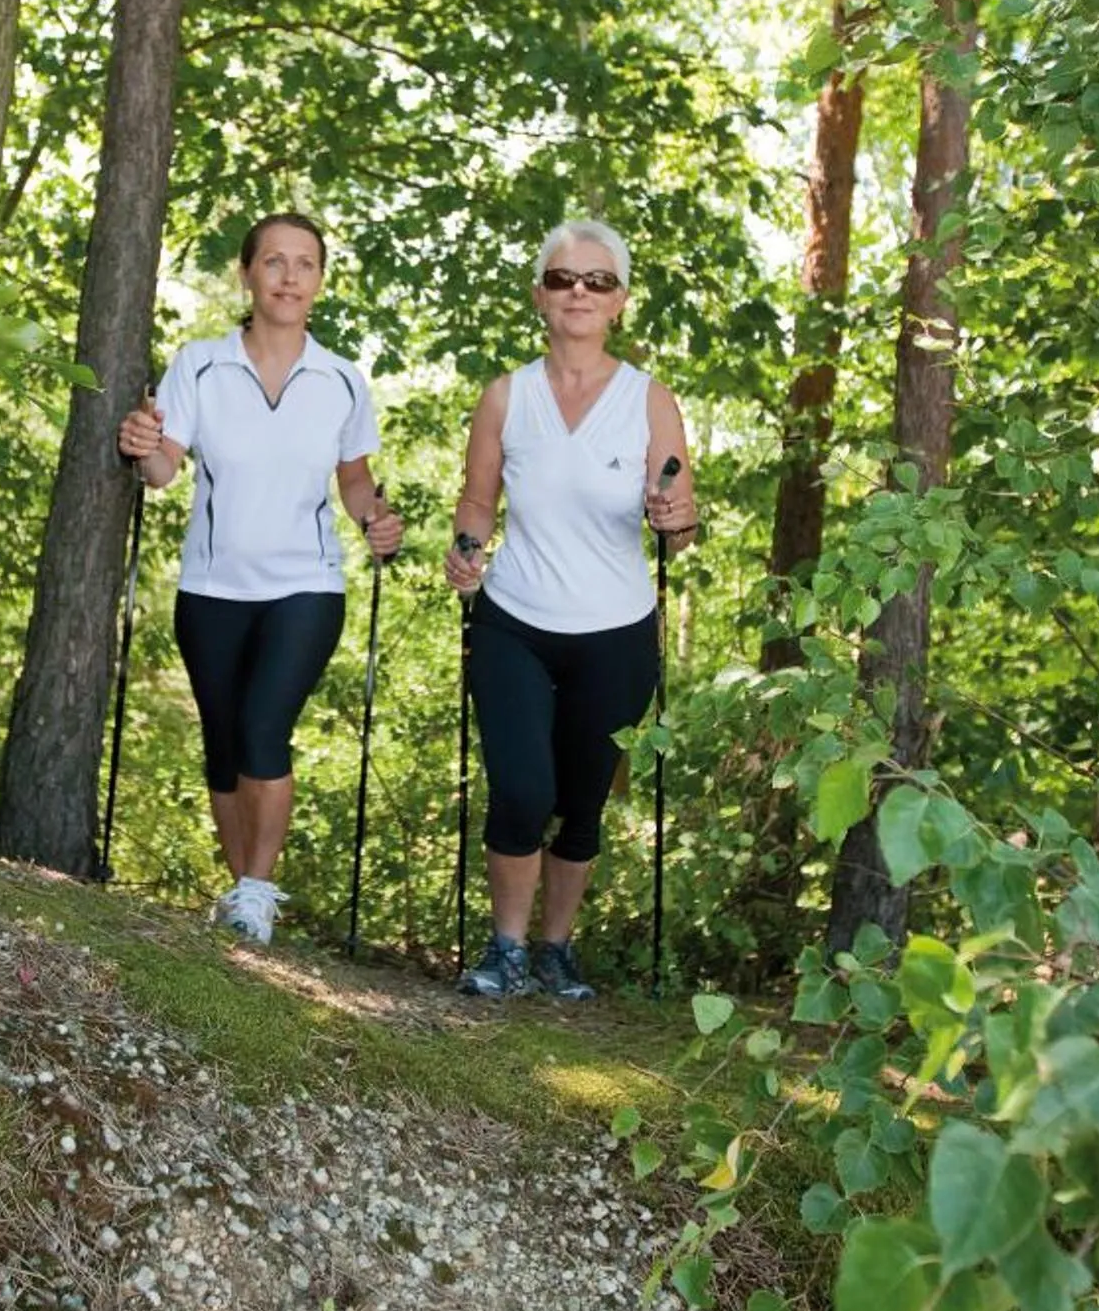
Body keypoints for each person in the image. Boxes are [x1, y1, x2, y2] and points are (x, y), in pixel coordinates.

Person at [118, 213, 403, 945]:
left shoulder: (341, 379)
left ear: (319, 281)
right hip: (212, 588)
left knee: (263, 727)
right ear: (246, 273)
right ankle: (240, 891)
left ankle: (256, 891)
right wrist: (142, 443)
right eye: (272, 261)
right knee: (223, 743)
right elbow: (160, 470)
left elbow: (355, 481)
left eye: (303, 264)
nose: (287, 276)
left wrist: (377, 517)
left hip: (306, 585)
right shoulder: (200, 364)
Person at [443, 219, 697, 1001]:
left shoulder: (650, 400)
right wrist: (464, 548)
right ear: (538, 297)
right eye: (562, 279)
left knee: (582, 799)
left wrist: (673, 519)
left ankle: (556, 949)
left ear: (619, 300)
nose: (578, 293)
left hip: (615, 633)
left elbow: (681, 524)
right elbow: (479, 501)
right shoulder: (504, 396)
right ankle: (506, 948)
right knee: (521, 789)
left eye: (596, 281)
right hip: (514, 619)